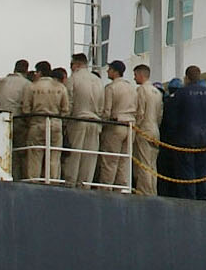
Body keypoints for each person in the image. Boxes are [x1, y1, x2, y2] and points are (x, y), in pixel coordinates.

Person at [166, 65, 206, 199]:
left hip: (185, 139)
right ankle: (204, 198)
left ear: (186, 78)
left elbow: (172, 118)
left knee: (186, 171)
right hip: (205, 139)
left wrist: (173, 136)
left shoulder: (181, 93)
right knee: (202, 172)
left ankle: (189, 199)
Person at [63, 53, 107, 186]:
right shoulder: (98, 81)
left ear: (76, 64)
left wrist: (65, 122)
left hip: (78, 120)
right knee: (90, 157)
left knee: (74, 156)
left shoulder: (73, 79)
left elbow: (69, 103)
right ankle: (85, 185)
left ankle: (71, 184)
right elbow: (102, 106)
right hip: (95, 121)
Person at [19, 63, 65, 182]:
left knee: (35, 155)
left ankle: (34, 181)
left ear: (39, 72)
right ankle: (53, 181)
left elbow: (26, 109)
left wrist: (31, 121)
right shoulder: (60, 87)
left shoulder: (32, 87)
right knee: (54, 156)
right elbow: (66, 110)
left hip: (37, 123)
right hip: (55, 124)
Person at [98, 60, 136, 190]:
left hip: (115, 124)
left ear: (115, 72)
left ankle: (105, 188)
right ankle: (121, 189)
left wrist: (101, 123)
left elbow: (107, 111)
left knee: (110, 160)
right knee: (124, 161)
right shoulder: (132, 87)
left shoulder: (111, 88)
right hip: (130, 125)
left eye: (109, 69)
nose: (108, 71)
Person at [124, 65, 156, 192]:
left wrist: (136, 126)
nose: (134, 77)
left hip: (144, 129)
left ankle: (144, 191)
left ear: (141, 75)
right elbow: (159, 114)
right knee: (152, 164)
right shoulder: (156, 91)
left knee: (143, 163)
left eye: (135, 75)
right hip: (154, 129)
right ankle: (152, 190)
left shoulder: (141, 90)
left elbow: (140, 112)